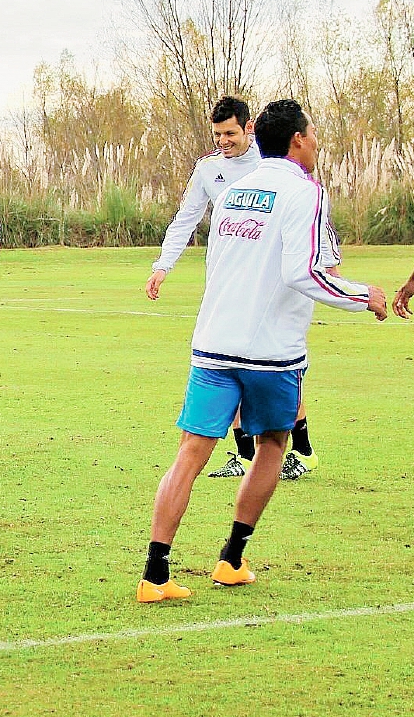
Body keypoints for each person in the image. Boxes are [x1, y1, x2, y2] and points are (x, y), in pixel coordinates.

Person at [137, 99, 387, 603]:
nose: (317, 142)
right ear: (298, 139)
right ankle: (231, 559)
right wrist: (365, 296)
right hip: (271, 352)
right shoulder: (304, 191)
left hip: (213, 343)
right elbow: (305, 272)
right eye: (313, 134)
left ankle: (154, 574)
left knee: (189, 455)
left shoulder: (233, 190)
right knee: (274, 443)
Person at [145, 96, 326, 481]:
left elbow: (311, 216)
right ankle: (244, 455)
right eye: (217, 134)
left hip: (273, 279)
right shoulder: (208, 170)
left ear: (248, 129)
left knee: (273, 363)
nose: (223, 141)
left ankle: (303, 449)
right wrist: (163, 265)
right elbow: (186, 218)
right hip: (231, 277)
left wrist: (329, 257)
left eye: (230, 133)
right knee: (233, 359)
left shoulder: (272, 164)